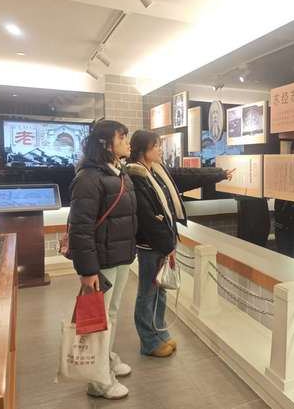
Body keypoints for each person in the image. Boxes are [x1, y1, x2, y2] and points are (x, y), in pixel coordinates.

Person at [126, 130, 234, 358]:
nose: (160, 149)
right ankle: (149, 342)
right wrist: (167, 247)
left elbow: (188, 175)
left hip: (164, 242)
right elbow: (147, 219)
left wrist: (220, 173)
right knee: (148, 293)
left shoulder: (156, 171)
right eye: (156, 146)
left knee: (161, 290)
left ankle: (160, 333)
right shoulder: (136, 177)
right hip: (150, 246)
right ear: (143, 150)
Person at [68, 120, 137, 400]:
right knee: (98, 319)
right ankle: (98, 381)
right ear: (106, 144)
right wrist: (88, 270)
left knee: (112, 312)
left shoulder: (118, 172)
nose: (127, 142)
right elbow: (80, 228)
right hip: (101, 262)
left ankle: (105, 358)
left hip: (120, 256)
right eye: (123, 137)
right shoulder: (89, 178)